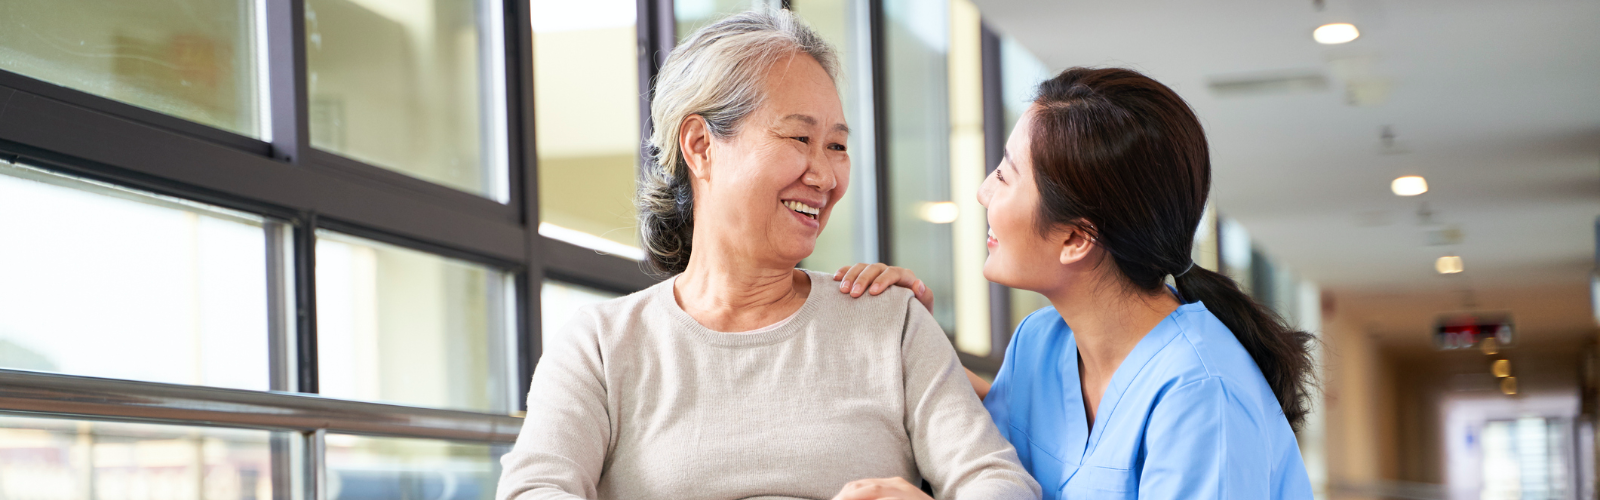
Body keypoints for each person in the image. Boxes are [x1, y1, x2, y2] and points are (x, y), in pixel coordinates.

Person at [494, 10, 1040, 500]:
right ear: (700, 146)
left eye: (837, 145)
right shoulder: (601, 345)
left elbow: (997, 481)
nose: (825, 175)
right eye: (799, 139)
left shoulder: (888, 319)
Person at [834, 67, 1316, 499]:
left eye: (1004, 175)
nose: (983, 190)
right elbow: (992, 446)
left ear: (1075, 238)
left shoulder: (1203, 394)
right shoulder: (1040, 342)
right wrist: (907, 336)